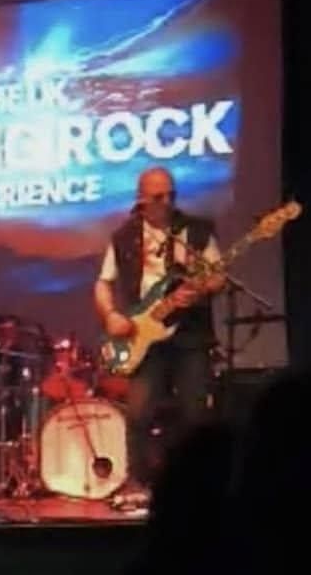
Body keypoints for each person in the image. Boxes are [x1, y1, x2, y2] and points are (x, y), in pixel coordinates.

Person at [93, 167, 224, 496]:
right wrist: (110, 315)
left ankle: (201, 485)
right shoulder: (123, 236)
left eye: (171, 195)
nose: (167, 202)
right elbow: (103, 283)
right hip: (143, 335)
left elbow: (218, 276)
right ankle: (140, 482)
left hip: (189, 334)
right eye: (158, 197)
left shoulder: (195, 231)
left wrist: (202, 288)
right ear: (141, 199)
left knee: (196, 414)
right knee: (138, 413)